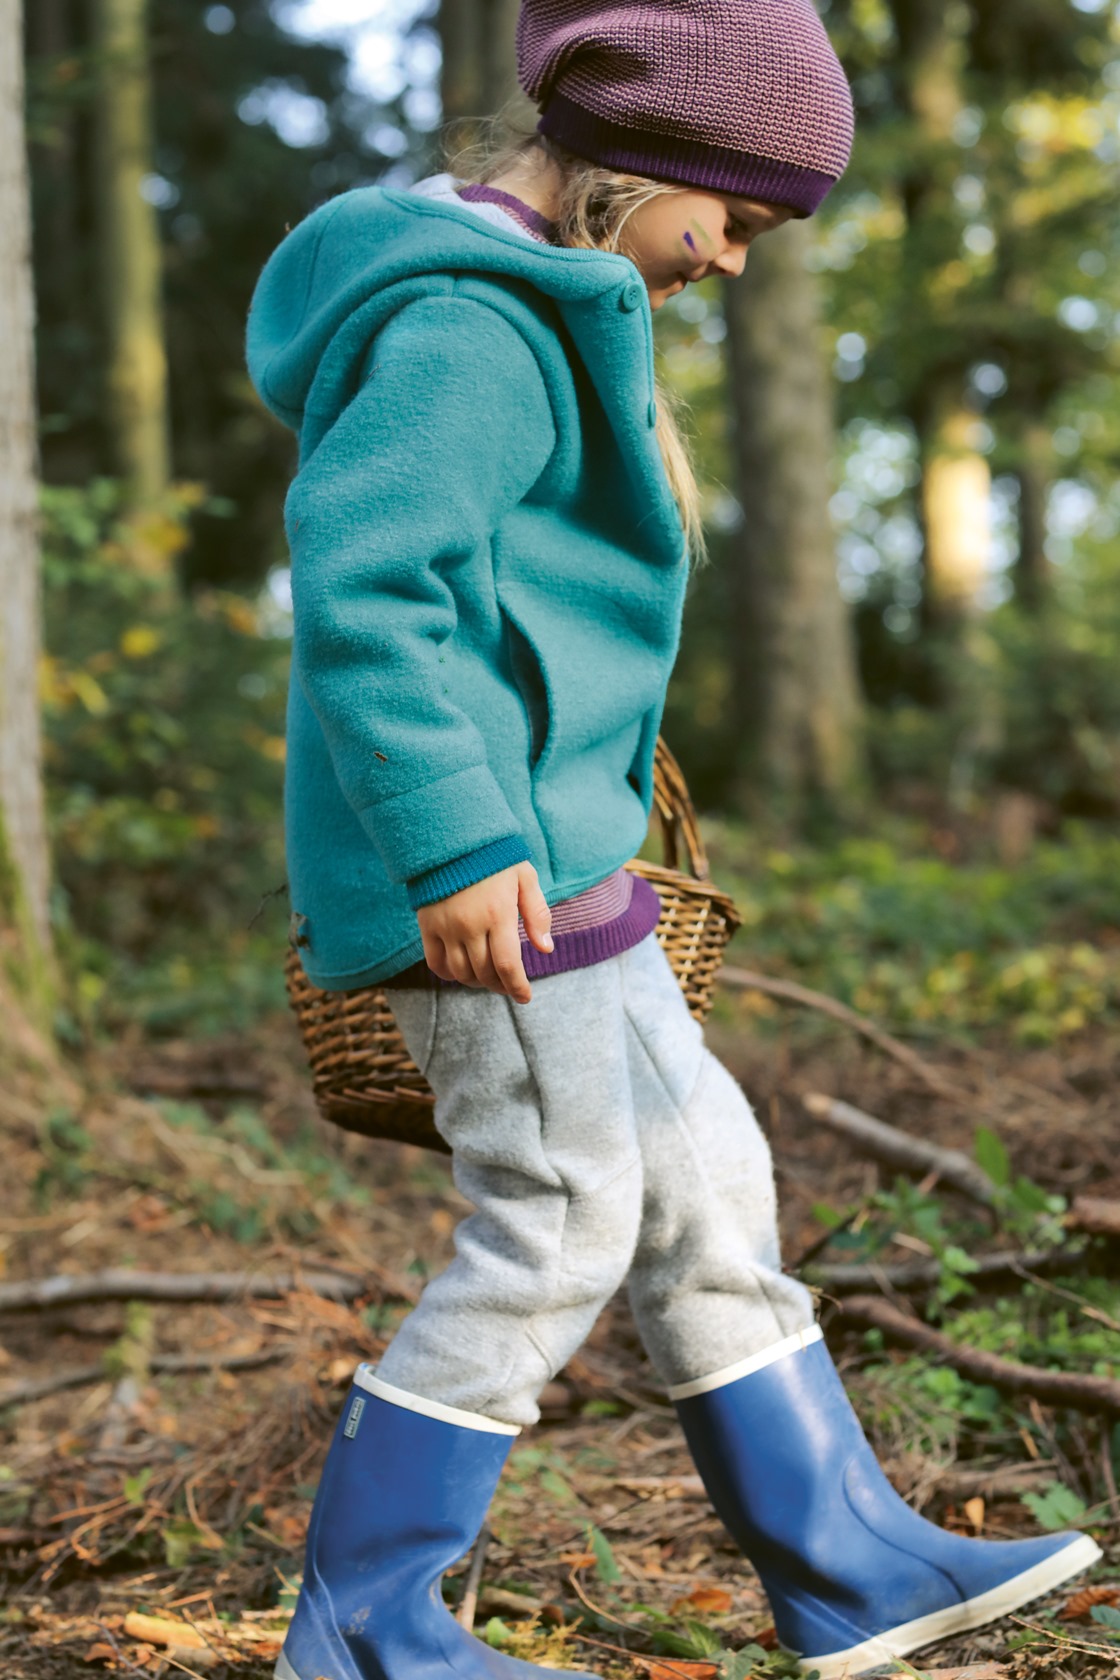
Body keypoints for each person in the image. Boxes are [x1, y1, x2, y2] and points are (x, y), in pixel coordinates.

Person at [246, 4, 1099, 1676]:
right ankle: (361, 1627)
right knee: (563, 1209)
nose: (738, 261)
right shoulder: (465, 328)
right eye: (739, 221)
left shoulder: (556, 312)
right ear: (639, 165)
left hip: (575, 867)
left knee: (709, 1186)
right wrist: (449, 839)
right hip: (482, 883)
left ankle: (843, 1564)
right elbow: (370, 594)